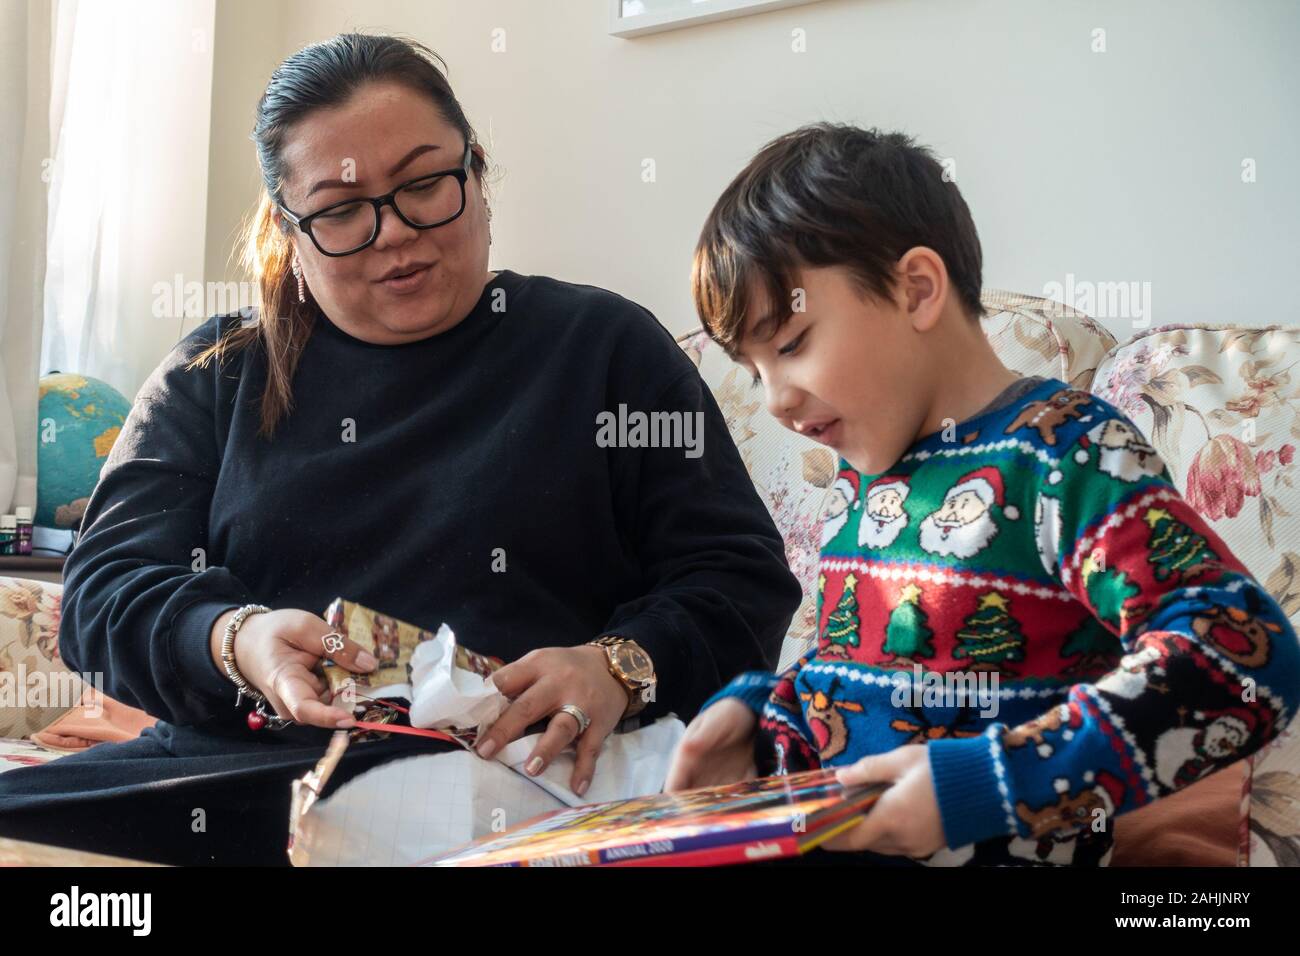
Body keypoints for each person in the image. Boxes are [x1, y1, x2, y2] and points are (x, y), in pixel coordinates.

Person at [0, 33, 800, 866]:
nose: (392, 233)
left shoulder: (602, 349)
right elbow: (101, 597)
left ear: (478, 177)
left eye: (424, 185)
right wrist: (234, 638)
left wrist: (617, 666)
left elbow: (737, 580)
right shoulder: (218, 374)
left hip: (521, 779)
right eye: (342, 210)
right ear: (291, 228)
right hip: (238, 781)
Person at [665, 123, 1300, 866]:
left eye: (793, 344)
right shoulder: (863, 474)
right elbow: (853, 685)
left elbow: (1242, 654)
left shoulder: (1064, 453)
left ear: (917, 289)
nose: (774, 399)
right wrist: (758, 712)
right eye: (752, 369)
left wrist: (988, 783)